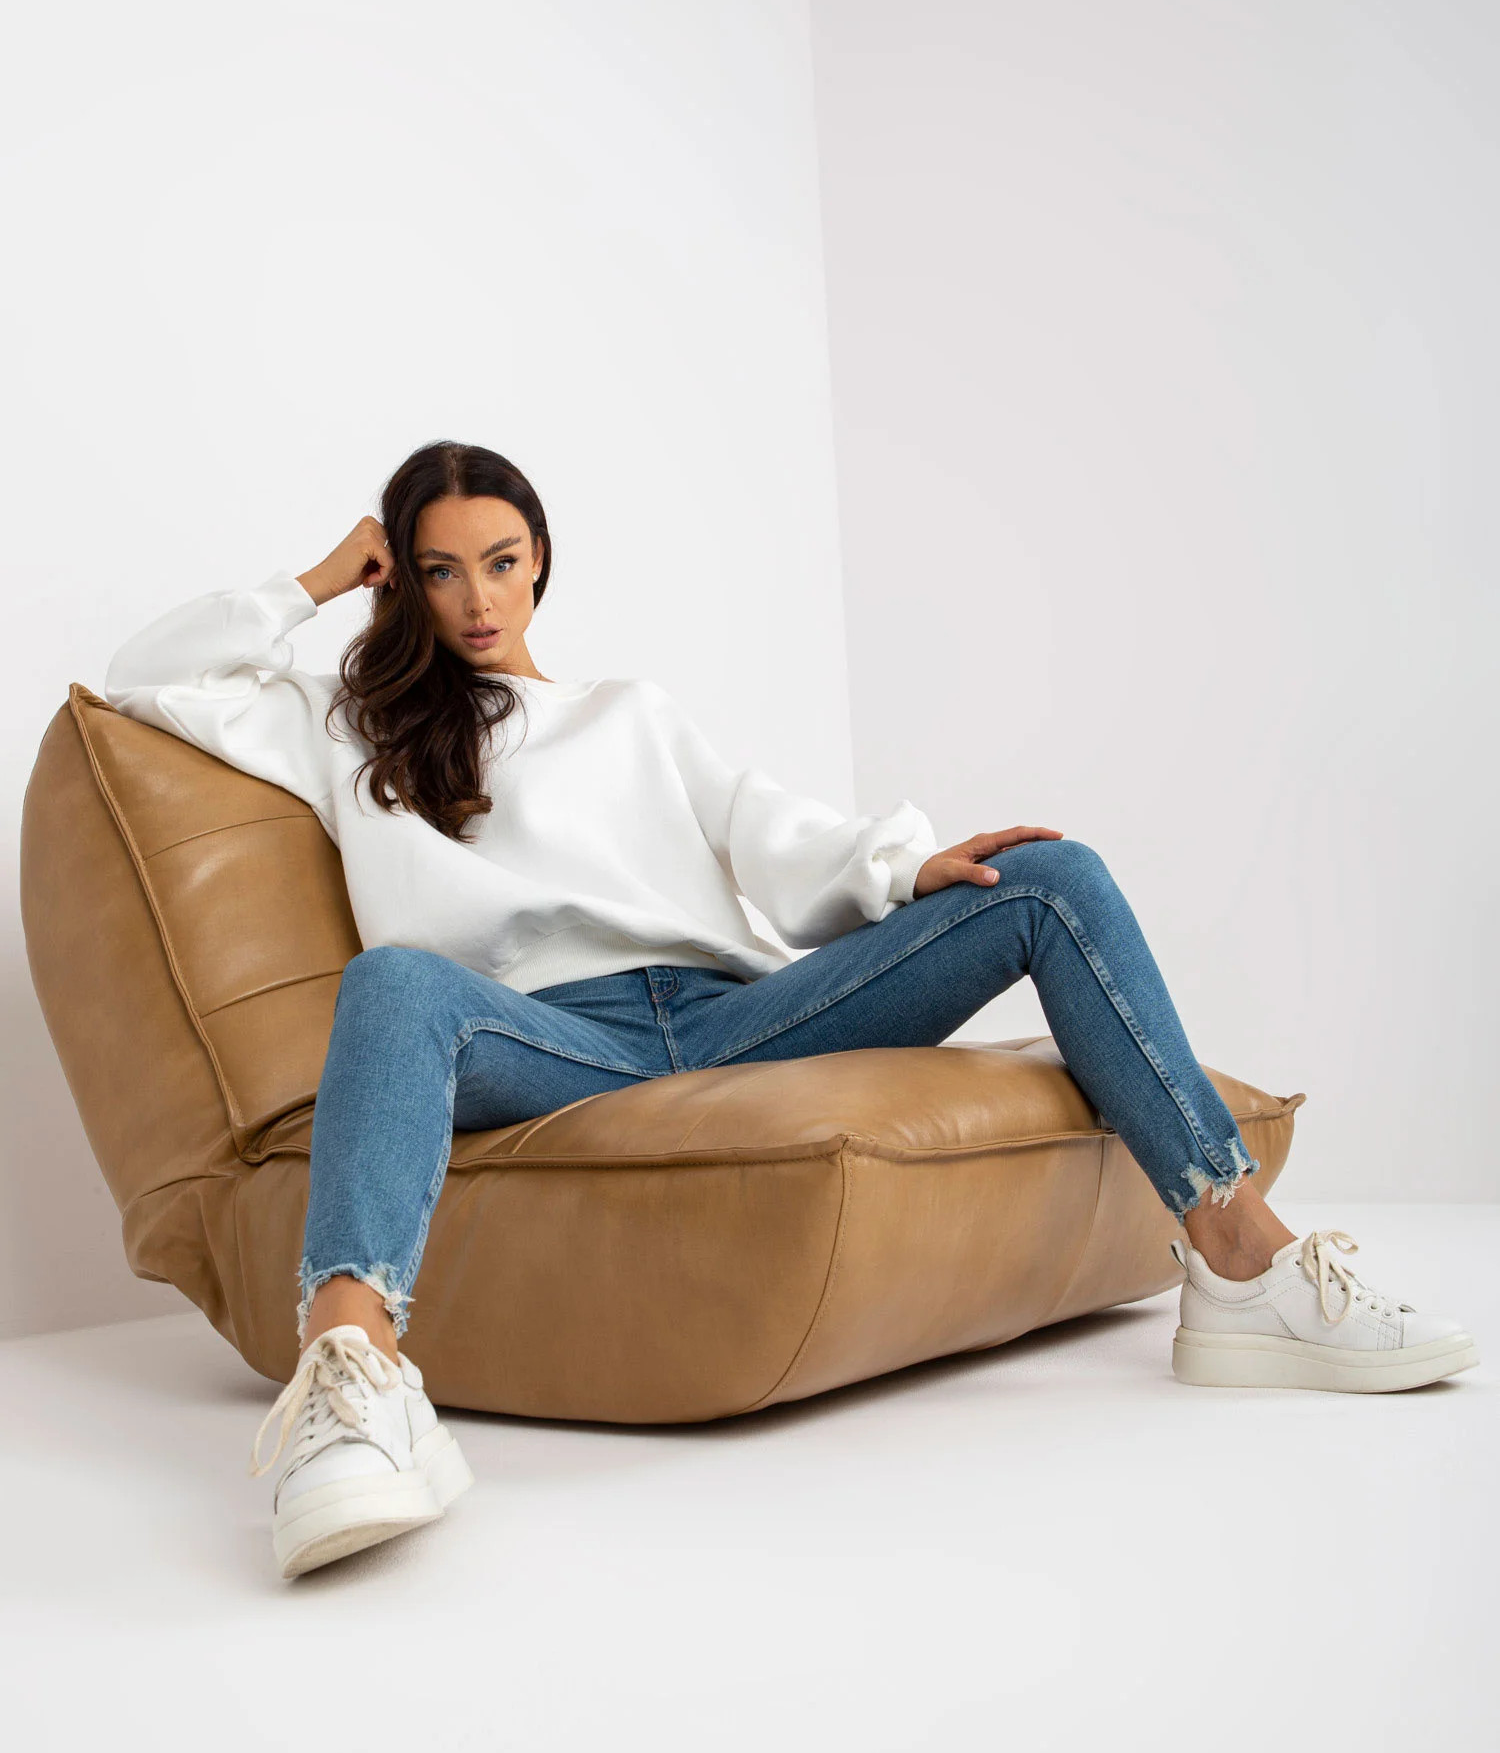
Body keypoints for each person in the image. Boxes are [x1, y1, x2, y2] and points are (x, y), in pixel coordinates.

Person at [104, 439, 1478, 1579]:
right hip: (545, 1038)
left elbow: (770, 832)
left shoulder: (628, 714)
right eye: (441, 568)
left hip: (731, 1023)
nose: (478, 598)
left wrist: (905, 867)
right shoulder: (345, 722)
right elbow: (144, 680)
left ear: (543, 563)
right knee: (394, 979)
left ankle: (1242, 1261)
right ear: (401, 575)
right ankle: (354, 1380)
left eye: (504, 562)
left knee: (1052, 880)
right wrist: (319, 578)